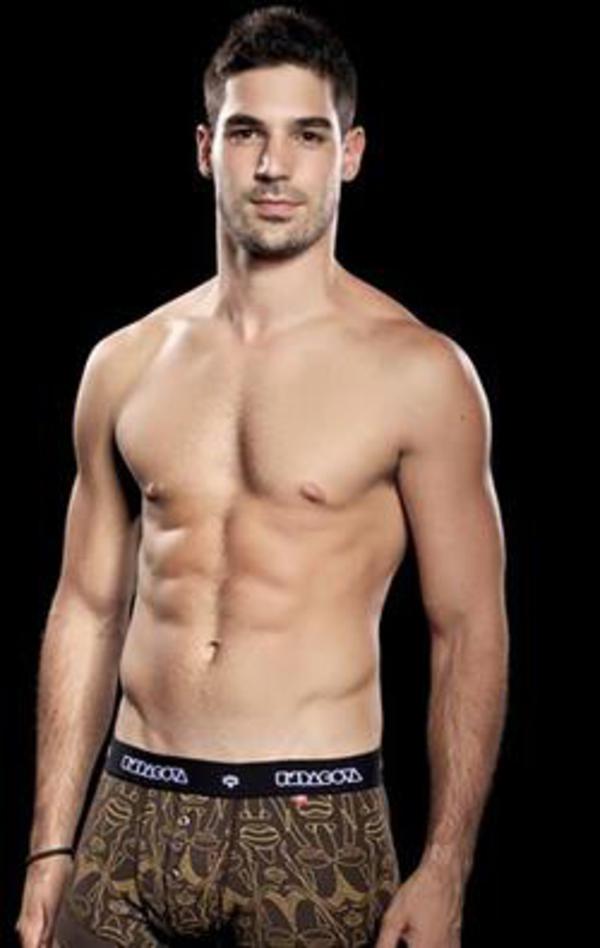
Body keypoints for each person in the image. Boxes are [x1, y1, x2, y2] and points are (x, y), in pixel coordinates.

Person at [16, 5, 509, 947]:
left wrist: (447, 865)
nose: (275, 165)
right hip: (130, 811)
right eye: (247, 132)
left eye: (307, 135)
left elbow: (468, 626)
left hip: (314, 823)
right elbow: (86, 605)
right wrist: (50, 844)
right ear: (207, 150)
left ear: (349, 155)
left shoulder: (419, 373)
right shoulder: (126, 363)